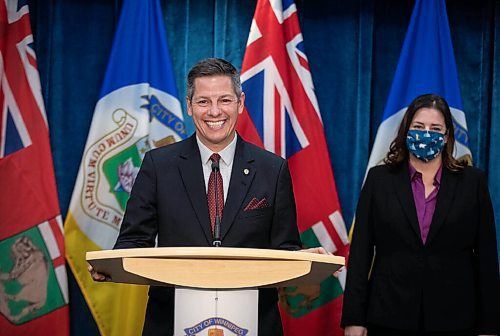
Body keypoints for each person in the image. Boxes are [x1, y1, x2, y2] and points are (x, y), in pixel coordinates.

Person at [89, 58, 324, 335]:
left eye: (224, 100)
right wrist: (113, 265)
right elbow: (133, 240)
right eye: (203, 102)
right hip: (172, 319)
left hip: (253, 320)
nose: (215, 112)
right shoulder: (158, 165)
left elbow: (283, 248)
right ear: (189, 106)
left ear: (240, 102)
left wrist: (302, 258)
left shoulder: (272, 169)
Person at [342, 94, 500, 336]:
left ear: (447, 135)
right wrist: (354, 318)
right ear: (406, 131)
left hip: (456, 319)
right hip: (388, 316)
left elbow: (487, 258)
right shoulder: (379, 180)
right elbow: (361, 254)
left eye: (435, 128)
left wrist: (490, 326)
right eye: (418, 127)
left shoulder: (472, 182)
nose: (426, 133)